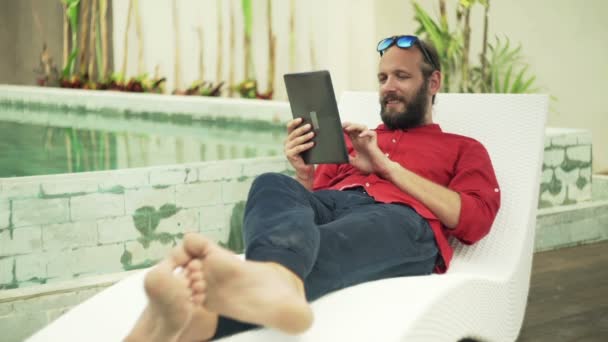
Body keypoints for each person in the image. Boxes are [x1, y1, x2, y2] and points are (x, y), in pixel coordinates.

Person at [125, 35, 501, 342]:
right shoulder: (357, 139)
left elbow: (473, 220)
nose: (388, 87)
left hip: (403, 222)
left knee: (328, 243)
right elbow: (311, 202)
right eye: (383, 78)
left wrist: (386, 167)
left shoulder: (465, 148)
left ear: (432, 83)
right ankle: (230, 304)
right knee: (273, 185)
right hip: (335, 204)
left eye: (401, 77)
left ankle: (194, 318)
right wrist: (304, 174)